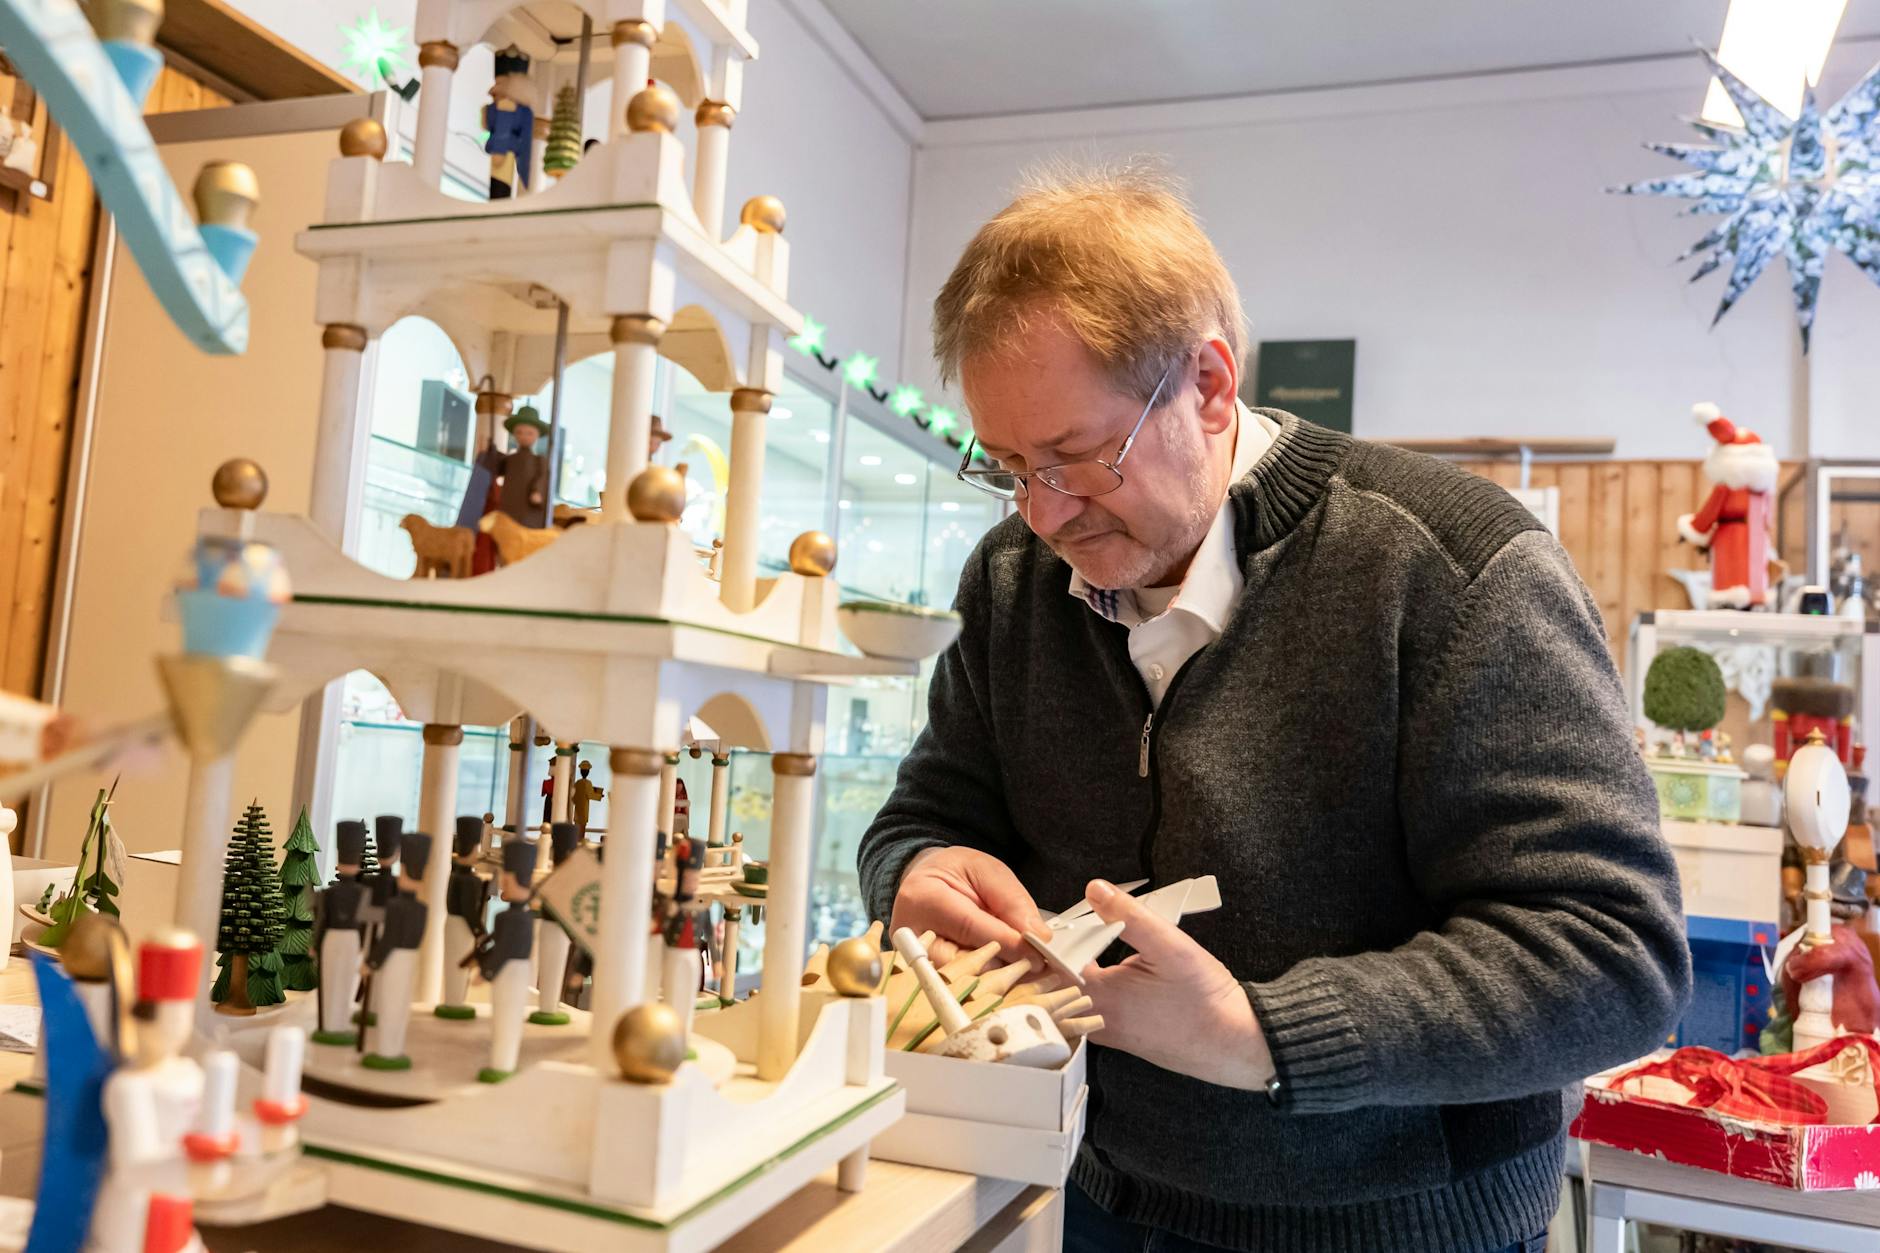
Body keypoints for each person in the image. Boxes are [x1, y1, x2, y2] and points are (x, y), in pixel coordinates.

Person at [858, 164, 1689, 1253]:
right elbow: (925, 811)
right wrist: (915, 873)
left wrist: (1263, 1034)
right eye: (1005, 464)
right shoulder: (1010, 578)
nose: (1043, 512)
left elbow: (1611, 958)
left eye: (1074, 458)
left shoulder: (1447, 566)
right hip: (1100, 1188)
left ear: (1207, 385)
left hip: (1404, 1228)